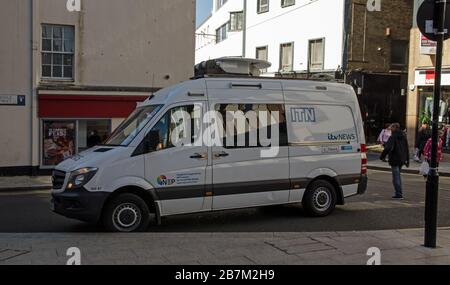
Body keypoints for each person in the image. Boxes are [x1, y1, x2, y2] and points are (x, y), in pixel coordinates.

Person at [380, 123, 410, 200]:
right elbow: (406, 149)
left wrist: (382, 157)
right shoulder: (403, 136)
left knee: (396, 177)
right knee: (398, 176)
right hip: (402, 159)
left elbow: (387, 148)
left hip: (395, 159)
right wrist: (407, 160)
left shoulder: (393, 137)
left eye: (391, 128)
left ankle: (399, 194)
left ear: (395, 128)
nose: (390, 129)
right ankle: (399, 193)